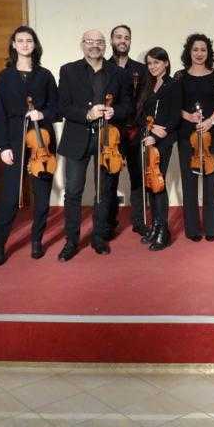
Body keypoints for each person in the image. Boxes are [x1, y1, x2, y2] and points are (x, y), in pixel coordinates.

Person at [56, 29, 131, 261]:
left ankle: (99, 237)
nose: (94, 45)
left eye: (99, 42)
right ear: (82, 44)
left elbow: (128, 105)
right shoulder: (68, 70)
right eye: (90, 41)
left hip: (107, 140)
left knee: (104, 191)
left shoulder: (118, 73)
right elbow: (63, 106)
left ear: (105, 46)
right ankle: (71, 240)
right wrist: (87, 114)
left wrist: (114, 111)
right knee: (73, 192)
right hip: (77, 139)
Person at [0, 26, 59, 265]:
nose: (25, 44)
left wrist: (43, 114)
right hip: (14, 139)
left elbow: (57, 108)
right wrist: (3, 146)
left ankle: (36, 240)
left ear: (34, 45)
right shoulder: (5, 76)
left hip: (42, 141)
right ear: (14, 45)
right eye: (20, 40)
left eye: (29, 40)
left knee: (42, 197)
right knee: (10, 197)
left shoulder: (45, 75)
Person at [174, 34, 214, 242]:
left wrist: (211, 121)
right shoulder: (179, 76)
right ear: (189, 51)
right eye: (195, 49)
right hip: (187, 135)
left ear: (208, 52)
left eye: (203, 49)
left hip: (211, 134)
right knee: (189, 182)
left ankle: (211, 228)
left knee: (211, 182)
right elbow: (174, 104)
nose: (199, 53)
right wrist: (188, 116)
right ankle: (193, 229)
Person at [136, 48, 182, 251]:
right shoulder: (146, 84)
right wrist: (149, 129)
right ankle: (155, 225)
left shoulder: (174, 85)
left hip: (163, 141)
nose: (152, 66)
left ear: (166, 63)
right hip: (146, 138)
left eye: (156, 62)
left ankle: (164, 229)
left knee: (158, 182)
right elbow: (139, 114)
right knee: (149, 183)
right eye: (149, 63)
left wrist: (157, 134)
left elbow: (175, 116)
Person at [107, 23, 148, 237]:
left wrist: (140, 126)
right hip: (111, 132)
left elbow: (145, 101)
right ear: (111, 40)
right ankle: (109, 222)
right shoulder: (103, 67)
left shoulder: (141, 69)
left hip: (134, 131)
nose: (123, 41)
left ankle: (139, 221)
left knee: (137, 176)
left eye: (126, 37)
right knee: (109, 177)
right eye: (119, 37)